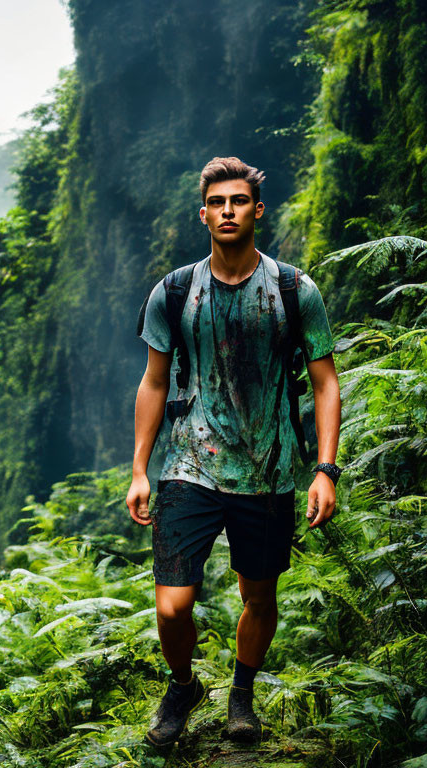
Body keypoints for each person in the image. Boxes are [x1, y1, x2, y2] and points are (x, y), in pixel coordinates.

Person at [126, 156, 342, 748]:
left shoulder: (296, 290)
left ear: (257, 210)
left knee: (259, 594)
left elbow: (325, 382)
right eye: (218, 203)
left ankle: (241, 692)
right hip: (187, 466)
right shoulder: (173, 292)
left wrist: (325, 468)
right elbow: (153, 381)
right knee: (172, 606)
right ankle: (182, 686)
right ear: (203, 214)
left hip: (267, 469)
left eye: (238, 201)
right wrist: (140, 469)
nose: (228, 211)